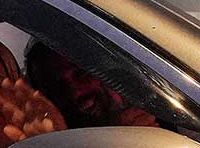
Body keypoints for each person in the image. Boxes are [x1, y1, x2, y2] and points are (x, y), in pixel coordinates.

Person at [24, 40, 159, 130]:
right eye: (59, 86)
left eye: (81, 75)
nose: (75, 93)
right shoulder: (62, 144)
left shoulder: (161, 101)